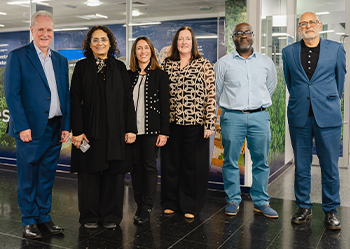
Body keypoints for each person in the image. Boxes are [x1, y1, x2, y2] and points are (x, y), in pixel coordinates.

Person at [4, 11, 70, 239]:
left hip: (54, 128)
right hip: (29, 130)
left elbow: (65, 96)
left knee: (46, 176)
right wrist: (22, 126)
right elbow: (12, 94)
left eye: (49, 30)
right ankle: (29, 220)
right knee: (28, 177)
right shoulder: (19, 56)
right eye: (40, 29)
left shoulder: (60, 61)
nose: (45, 34)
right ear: (31, 30)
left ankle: (44, 217)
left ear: (53, 32)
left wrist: (66, 126)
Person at [282, 12, 346, 230]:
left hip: (327, 116)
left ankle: (331, 210)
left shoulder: (336, 49)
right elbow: (291, 83)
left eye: (311, 22)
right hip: (299, 115)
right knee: (301, 165)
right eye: (303, 24)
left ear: (319, 25)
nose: (308, 26)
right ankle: (304, 208)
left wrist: (325, 101)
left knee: (329, 166)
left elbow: (339, 82)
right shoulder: (288, 52)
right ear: (299, 28)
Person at [70, 25, 137, 229]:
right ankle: (89, 216)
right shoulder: (81, 67)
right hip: (89, 132)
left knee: (113, 175)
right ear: (89, 45)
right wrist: (78, 131)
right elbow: (75, 100)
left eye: (104, 39)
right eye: (95, 40)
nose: (100, 43)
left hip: (115, 132)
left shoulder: (119, 68)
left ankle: (110, 216)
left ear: (111, 43)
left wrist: (130, 128)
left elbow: (127, 101)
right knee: (89, 175)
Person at [214, 22, 278, 218]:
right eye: (239, 33)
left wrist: (255, 104)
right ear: (233, 37)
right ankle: (233, 200)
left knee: (261, 161)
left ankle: (261, 201)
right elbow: (217, 92)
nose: (244, 36)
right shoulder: (223, 63)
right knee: (230, 161)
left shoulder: (266, 62)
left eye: (247, 32)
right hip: (232, 116)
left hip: (259, 116)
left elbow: (270, 87)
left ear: (252, 36)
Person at [161, 26, 216, 219]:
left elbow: (211, 95)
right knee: (171, 165)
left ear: (193, 43)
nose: (184, 42)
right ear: (175, 42)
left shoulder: (204, 64)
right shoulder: (167, 64)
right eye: (180, 39)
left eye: (188, 39)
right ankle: (170, 202)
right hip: (171, 123)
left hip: (196, 124)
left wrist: (210, 123)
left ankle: (191, 205)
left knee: (193, 167)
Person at [128, 36, 170, 225]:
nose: (143, 51)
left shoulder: (160, 75)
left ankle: (147, 207)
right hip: (132, 131)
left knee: (149, 167)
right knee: (135, 168)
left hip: (152, 131)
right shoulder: (129, 75)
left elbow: (166, 106)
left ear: (151, 51)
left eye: (146, 48)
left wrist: (164, 132)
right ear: (134, 52)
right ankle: (138, 203)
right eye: (139, 48)